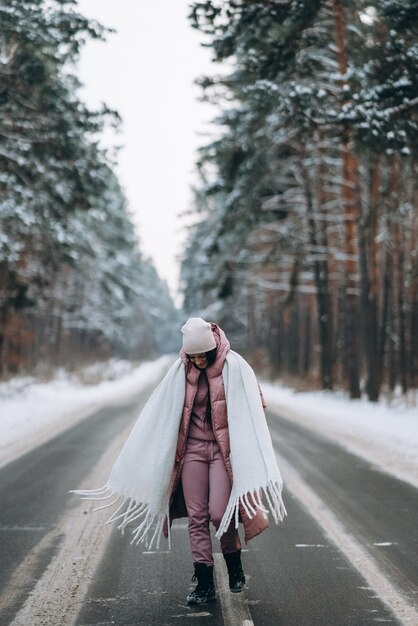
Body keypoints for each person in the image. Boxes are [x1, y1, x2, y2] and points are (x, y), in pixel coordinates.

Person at [72, 317, 286, 605]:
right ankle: (204, 581)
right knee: (197, 517)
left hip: (224, 455)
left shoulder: (236, 366)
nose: (198, 360)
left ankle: (234, 567)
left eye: (202, 355)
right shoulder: (179, 371)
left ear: (212, 349)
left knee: (220, 513)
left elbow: (255, 404)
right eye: (193, 355)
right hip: (193, 453)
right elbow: (162, 409)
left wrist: (250, 403)